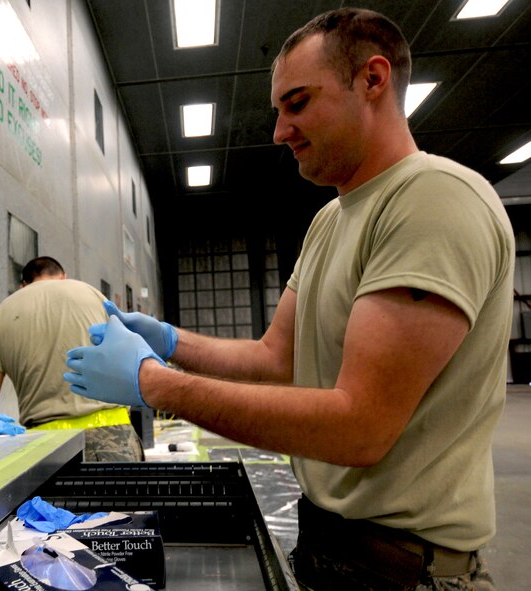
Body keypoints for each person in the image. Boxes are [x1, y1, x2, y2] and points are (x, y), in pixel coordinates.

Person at [64, 8, 512, 590]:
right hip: (332, 550)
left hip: (407, 571)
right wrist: (171, 342)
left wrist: (154, 382)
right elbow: (277, 358)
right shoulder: (331, 219)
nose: (279, 131)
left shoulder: (432, 200)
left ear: (372, 80)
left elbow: (361, 427)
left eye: (297, 103)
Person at [0, 256, 144, 462]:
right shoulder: (92, 295)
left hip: (43, 448)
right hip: (110, 437)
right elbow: (129, 361)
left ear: (22, 286)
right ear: (64, 277)